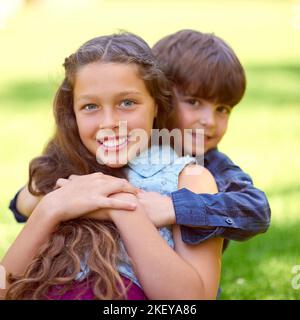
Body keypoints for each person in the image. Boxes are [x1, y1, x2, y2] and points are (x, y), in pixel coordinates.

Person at [0, 32, 222, 300]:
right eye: (90, 106)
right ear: (73, 114)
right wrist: (51, 207)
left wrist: (122, 208)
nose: (109, 121)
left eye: (127, 103)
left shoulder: (188, 180)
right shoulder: (64, 177)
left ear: (157, 105)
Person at [135, 29, 270, 250]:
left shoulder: (212, 164)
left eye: (222, 109)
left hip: (187, 277)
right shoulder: (133, 147)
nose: (210, 120)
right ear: (160, 97)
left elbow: (257, 211)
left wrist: (175, 208)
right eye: (194, 102)